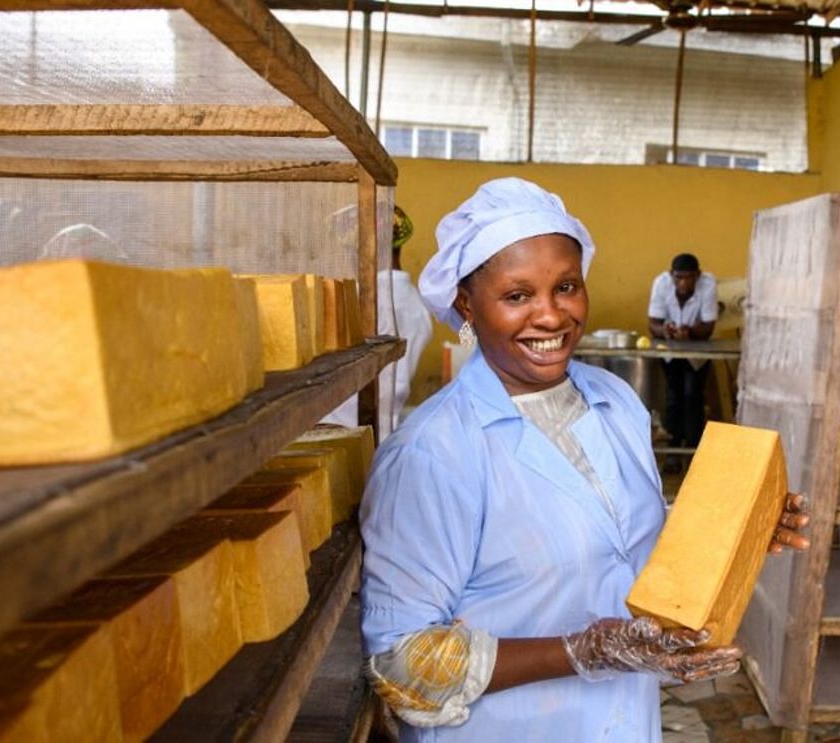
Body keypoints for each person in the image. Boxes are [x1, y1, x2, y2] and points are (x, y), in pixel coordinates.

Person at [358, 178, 808, 742]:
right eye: (517, 296)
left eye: (566, 286)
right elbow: (403, 663)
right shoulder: (433, 453)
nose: (550, 316)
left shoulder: (615, 403)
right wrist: (586, 650)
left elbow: (626, 550)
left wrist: (736, 531)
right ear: (466, 305)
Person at [322, 205, 432, 436]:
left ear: (364, 251)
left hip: (343, 432)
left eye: (351, 251)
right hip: (386, 430)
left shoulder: (364, 302)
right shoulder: (418, 305)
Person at [648, 253, 719, 453]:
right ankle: (673, 446)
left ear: (698, 275)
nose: (683, 282)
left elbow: (708, 328)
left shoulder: (708, 284)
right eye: (679, 277)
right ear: (672, 275)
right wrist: (665, 331)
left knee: (693, 395)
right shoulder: (661, 284)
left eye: (688, 277)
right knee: (673, 396)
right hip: (670, 352)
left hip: (698, 352)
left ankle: (693, 448)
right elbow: (653, 323)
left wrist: (690, 332)